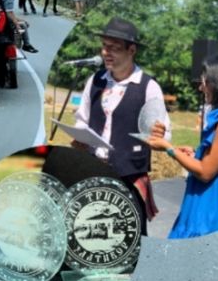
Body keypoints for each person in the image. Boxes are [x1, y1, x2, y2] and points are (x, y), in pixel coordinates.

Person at [73, 17, 171, 235]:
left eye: (114, 48)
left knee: (129, 240)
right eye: (104, 47)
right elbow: (83, 118)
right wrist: (79, 136)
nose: (106, 53)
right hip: (94, 173)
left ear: (132, 50)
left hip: (128, 177)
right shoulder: (95, 80)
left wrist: (159, 135)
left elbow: (164, 135)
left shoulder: (148, 87)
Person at [147, 54, 218, 239]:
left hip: (206, 209)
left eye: (205, 82)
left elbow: (205, 172)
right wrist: (195, 153)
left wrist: (169, 149)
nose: (201, 87)